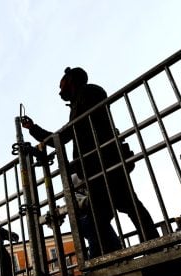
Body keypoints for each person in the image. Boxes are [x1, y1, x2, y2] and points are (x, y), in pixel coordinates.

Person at [21, 67, 159, 257]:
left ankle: (151, 247)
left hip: (103, 163)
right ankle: (125, 252)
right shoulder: (83, 98)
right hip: (97, 165)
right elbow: (66, 135)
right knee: (107, 215)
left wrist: (35, 130)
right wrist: (34, 129)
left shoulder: (88, 94)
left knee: (123, 208)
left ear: (70, 80)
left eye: (61, 85)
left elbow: (65, 135)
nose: (59, 91)